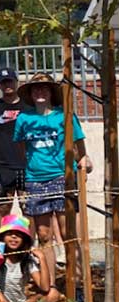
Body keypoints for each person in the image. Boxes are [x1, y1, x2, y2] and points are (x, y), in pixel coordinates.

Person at [13, 73, 91, 266]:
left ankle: (77, 283)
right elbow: (22, 152)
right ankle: (51, 287)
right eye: (36, 88)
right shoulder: (23, 119)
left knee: (68, 233)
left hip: (62, 176)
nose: (40, 92)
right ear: (30, 94)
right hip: (35, 179)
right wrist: (25, 181)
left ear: (51, 92)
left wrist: (84, 160)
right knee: (43, 234)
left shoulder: (64, 116)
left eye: (44, 88)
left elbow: (79, 147)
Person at [0, 215, 59, 302]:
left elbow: (45, 287)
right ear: (2, 237)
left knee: (52, 294)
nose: (14, 237)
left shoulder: (27, 261)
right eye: (10, 234)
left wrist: (42, 258)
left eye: (18, 235)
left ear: (24, 240)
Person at [0, 68, 30, 228]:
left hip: (26, 165)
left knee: (28, 207)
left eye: (10, 81)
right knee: (3, 207)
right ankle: (1, 246)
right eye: (3, 82)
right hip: (1, 165)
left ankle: (30, 246)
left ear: (16, 82)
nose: (7, 85)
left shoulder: (28, 106)